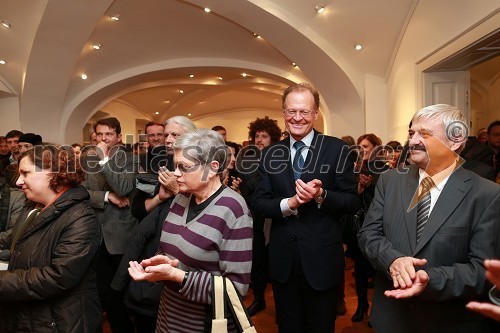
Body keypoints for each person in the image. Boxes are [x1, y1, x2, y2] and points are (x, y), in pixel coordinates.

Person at [358, 104, 500, 333]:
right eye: (411, 132)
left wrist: (428, 279)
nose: (413, 141)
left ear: (455, 141)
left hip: (447, 322)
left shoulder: (486, 195)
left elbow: (481, 270)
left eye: (424, 134)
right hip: (391, 319)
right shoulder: (389, 181)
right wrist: (392, 261)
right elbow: (368, 234)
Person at [252, 83, 360, 332]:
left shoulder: (337, 149)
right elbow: (258, 203)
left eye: (304, 111)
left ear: (315, 113)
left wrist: (322, 195)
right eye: (291, 111)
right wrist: (289, 204)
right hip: (282, 261)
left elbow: (352, 201)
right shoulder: (270, 154)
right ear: (283, 112)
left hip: (322, 259)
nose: (297, 118)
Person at [128, 129, 253, 333]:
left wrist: (179, 276)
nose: (176, 173)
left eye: (184, 167)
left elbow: (236, 289)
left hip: (204, 324)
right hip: (169, 317)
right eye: (176, 165)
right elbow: (169, 248)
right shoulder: (181, 198)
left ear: (212, 168)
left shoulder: (234, 209)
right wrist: (161, 262)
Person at [0, 144, 102, 332]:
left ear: (54, 173)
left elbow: (57, 277)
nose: (18, 182)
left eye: (25, 173)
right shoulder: (33, 206)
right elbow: (13, 239)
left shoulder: (81, 217)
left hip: (59, 322)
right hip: (27, 315)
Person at [82, 117, 138, 333]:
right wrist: (106, 196)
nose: (104, 139)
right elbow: (81, 192)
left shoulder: (131, 159)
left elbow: (123, 187)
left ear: (118, 137)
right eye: (100, 134)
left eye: (109, 134)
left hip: (122, 236)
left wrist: (105, 160)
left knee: (124, 291)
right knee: (104, 292)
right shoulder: (88, 161)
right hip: (96, 235)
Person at [237, 116, 282, 316]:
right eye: (257, 136)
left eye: (264, 136)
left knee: (276, 262)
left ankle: (281, 306)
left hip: (275, 217)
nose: (259, 140)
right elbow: (248, 189)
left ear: (272, 139)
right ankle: (259, 299)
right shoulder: (247, 161)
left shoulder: (279, 159)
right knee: (257, 260)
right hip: (253, 217)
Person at [350, 133, 390, 323]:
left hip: (380, 226)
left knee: (378, 270)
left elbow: (387, 198)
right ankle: (361, 305)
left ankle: (379, 311)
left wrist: (371, 184)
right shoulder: (354, 169)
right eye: (359, 146)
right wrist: (358, 188)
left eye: (365, 146)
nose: (362, 150)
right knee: (359, 268)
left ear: (376, 147)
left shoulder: (384, 170)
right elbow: (350, 200)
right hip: (359, 225)